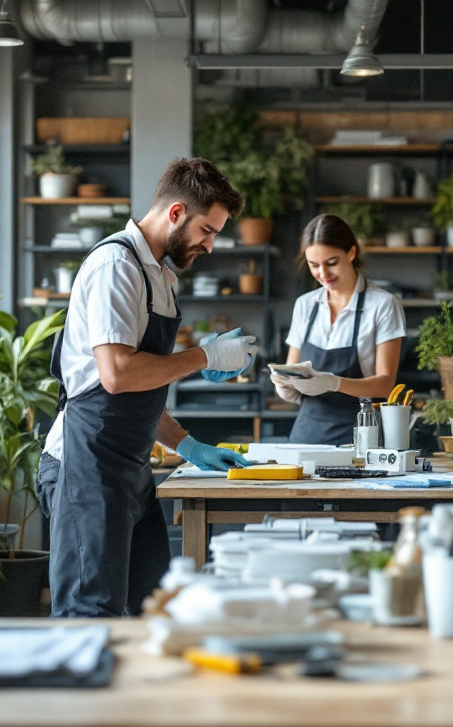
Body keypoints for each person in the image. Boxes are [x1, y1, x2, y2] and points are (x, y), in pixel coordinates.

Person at [37, 158, 258, 618]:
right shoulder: (115, 266)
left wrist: (188, 445)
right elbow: (116, 375)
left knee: (151, 610)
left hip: (129, 470)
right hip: (86, 466)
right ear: (176, 213)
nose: (210, 246)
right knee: (89, 617)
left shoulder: (160, 276)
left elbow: (140, 385)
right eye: (207, 230)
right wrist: (204, 357)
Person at [272, 214, 406, 445]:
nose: (323, 274)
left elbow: (385, 385)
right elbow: (291, 371)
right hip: (306, 437)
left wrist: (334, 383)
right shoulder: (305, 305)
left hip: (359, 438)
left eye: (331, 262)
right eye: (314, 265)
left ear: (351, 253)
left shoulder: (383, 305)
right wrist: (285, 387)